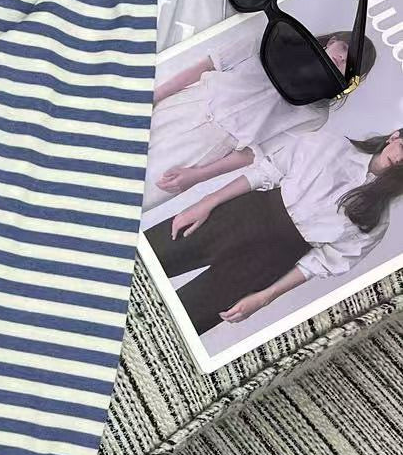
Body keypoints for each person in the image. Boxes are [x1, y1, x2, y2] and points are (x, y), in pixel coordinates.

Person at [145, 126, 403, 336]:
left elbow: (319, 264)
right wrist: (207, 202)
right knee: (149, 256)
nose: (400, 160)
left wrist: (264, 298)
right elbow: (266, 172)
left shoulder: (377, 220)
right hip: (239, 216)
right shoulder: (330, 144)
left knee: (184, 318)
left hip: (270, 260)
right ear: (394, 136)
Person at [144, 28, 377, 209]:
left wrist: (196, 177)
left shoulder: (316, 114)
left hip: (207, 148)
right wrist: (153, 96)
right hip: (185, 106)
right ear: (332, 41)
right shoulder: (275, 41)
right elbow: (207, 65)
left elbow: (252, 153)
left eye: (350, 64)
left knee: (141, 192)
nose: (341, 58)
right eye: (344, 48)